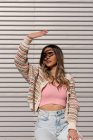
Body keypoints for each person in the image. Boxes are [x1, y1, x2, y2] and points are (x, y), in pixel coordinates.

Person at [14, 30, 83, 140]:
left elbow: (73, 104)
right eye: (44, 55)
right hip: (44, 124)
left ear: (58, 56)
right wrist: (28, 38)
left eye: (50, 53)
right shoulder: (36, 75)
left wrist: (72, 127)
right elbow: (19, 62)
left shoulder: (68, 79)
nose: (47, 57)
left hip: (64, 123)